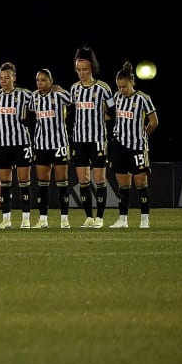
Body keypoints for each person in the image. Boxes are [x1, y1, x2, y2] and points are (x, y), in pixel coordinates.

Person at [107, 61, 158, 229]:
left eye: (125, 86)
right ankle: (123, 219)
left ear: (132, 83)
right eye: (119, 87)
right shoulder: (116, 97)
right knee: (123, 186)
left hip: (137, 146)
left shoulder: (143, 98)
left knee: (141, 184)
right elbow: (110, 115)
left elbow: (154, 122)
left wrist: (144, 134)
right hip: (119, 146)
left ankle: (144, 220)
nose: (122, 90)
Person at [69, 45, 113, 228]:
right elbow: (70, 112)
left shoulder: (103, 88)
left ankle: (100, 218)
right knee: (83, 180)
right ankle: (88, 217)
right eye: (79, 70)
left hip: (98, 140)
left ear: (92, 69)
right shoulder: (74, 89)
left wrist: (100, 116)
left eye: (85, 69)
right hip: (79, 140)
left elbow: (114, 112)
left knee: (100, 179)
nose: (82, 73)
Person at [0, 62, 35, 229]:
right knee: (5, 182)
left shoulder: (26, 95)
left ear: (14, 78)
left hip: (21, 143)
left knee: (24, 181)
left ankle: (26, 219)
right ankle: (6, 219)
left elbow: (41, 102)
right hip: (2, 145)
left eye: (7, 77)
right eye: (1, 78)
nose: (3, 80)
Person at [30, 68, 73, 229]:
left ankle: (64, 220)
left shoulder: (59, 95)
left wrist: (61, 89)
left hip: (59, 144)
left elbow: (72, 101)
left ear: (51, 81)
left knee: (62, 182)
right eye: (38, 80)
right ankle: (43, 220)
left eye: (43, 80)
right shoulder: (33, 97)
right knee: (43, 183)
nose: (40, 83)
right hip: (41, 145)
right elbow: (28, 112)